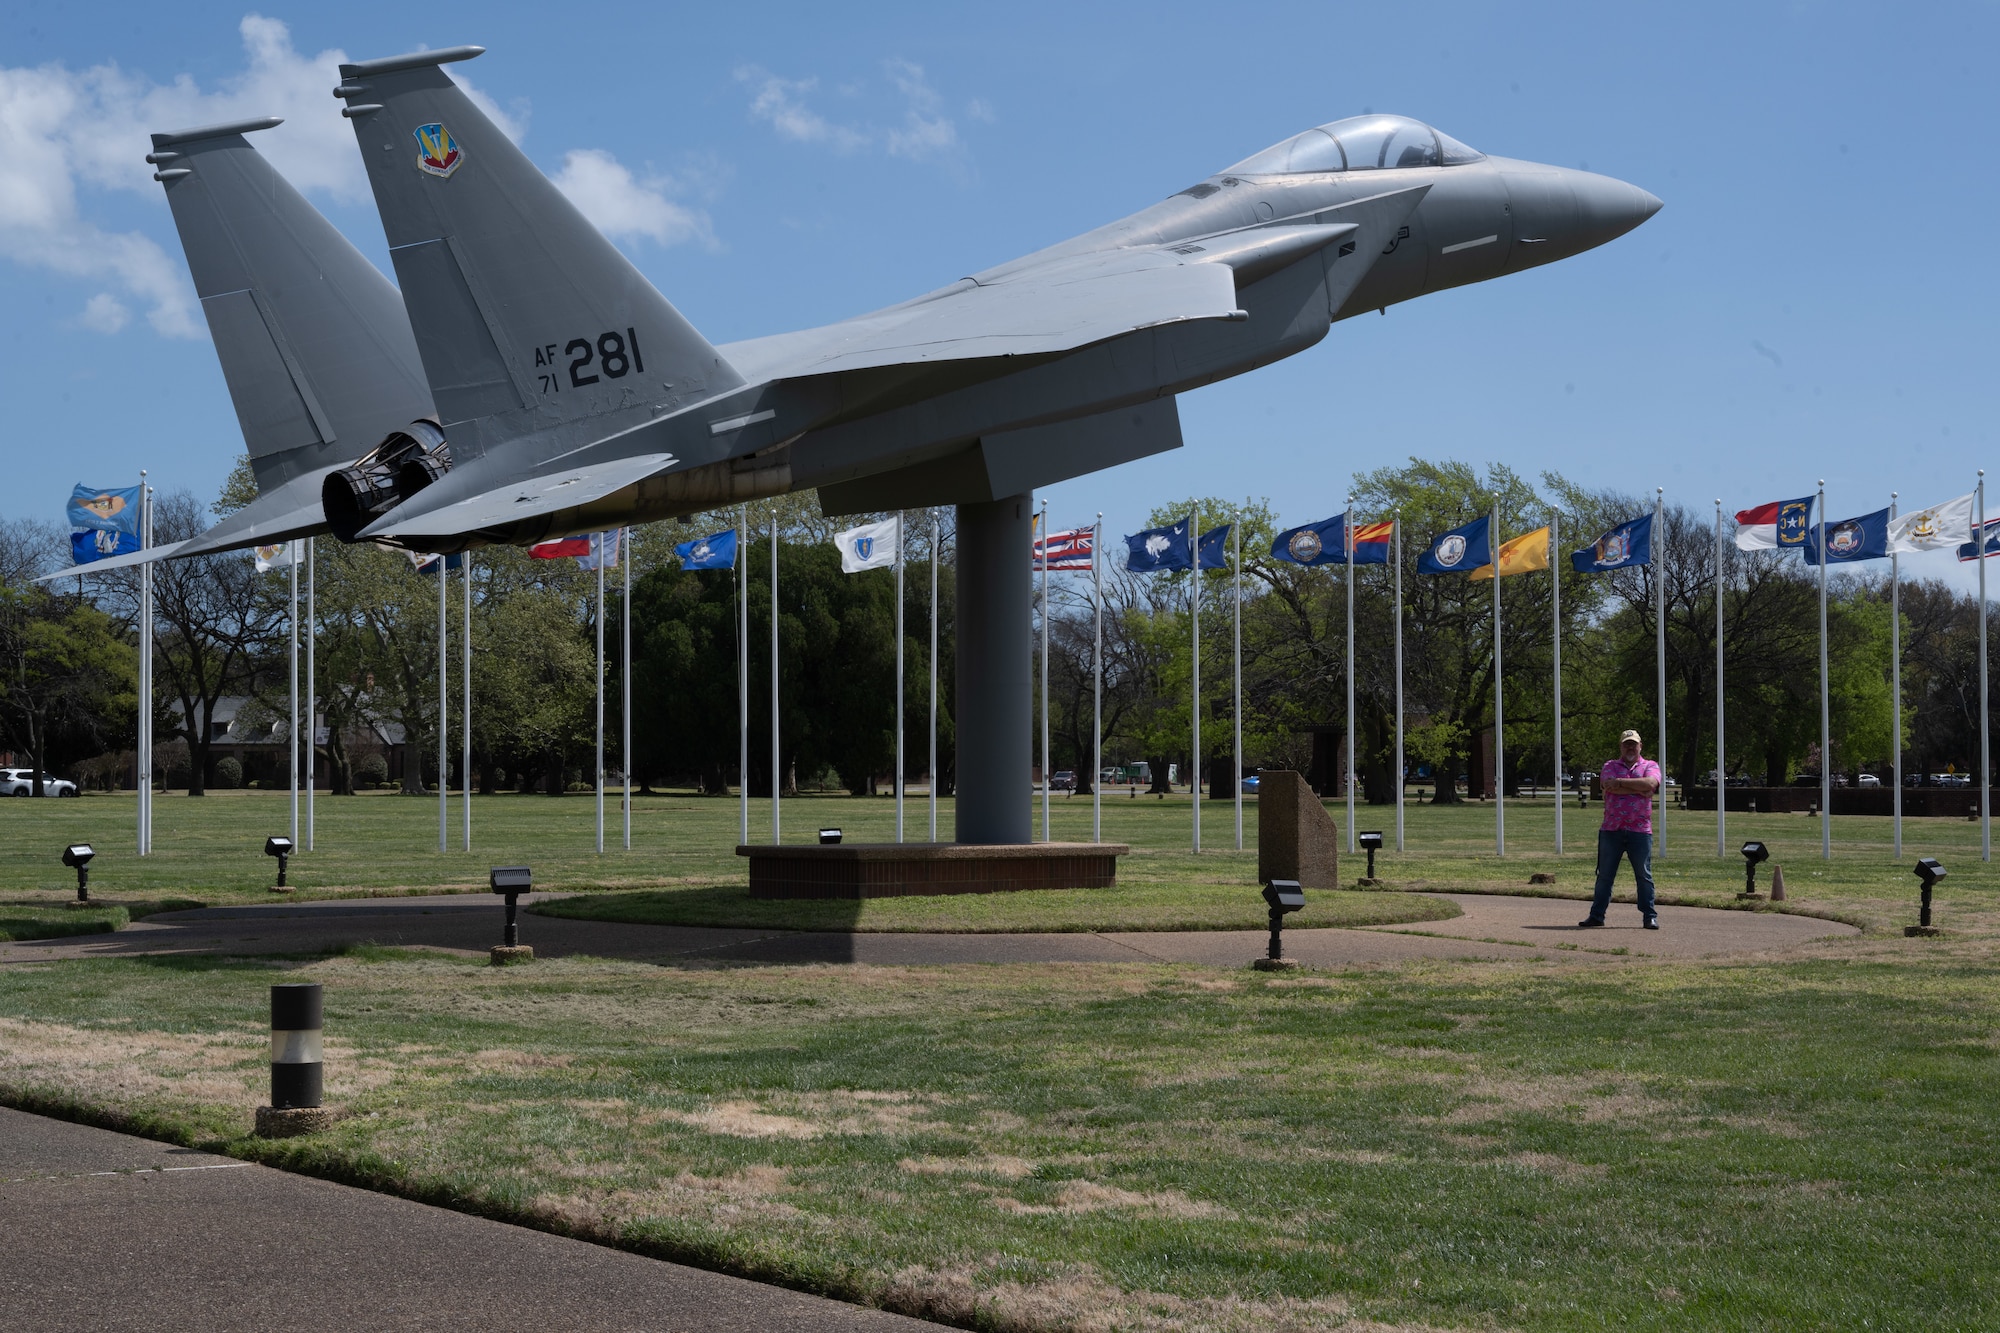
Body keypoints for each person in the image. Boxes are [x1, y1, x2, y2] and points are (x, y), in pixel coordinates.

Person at [1580, 729, 1661, 930]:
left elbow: (1651, 783)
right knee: (1605, 875)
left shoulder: (1650, 765)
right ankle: (1597, 915)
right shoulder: (1610, 766)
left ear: (1640, 746)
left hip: (1640, 830)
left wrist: (1621, 783)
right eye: (1627, 744)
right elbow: (1608, 786)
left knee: (1643, 874)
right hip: (1611, 829)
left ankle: (1649, 916)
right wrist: (1640, 789)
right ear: (1621, 747)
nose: (1630, 747)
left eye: (1634, 744)